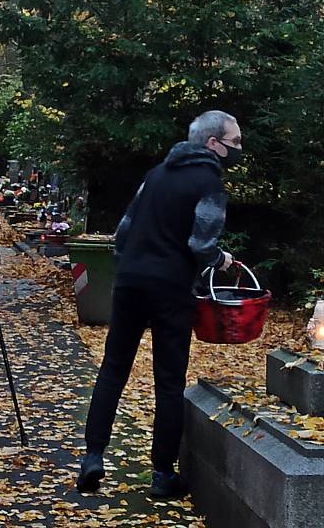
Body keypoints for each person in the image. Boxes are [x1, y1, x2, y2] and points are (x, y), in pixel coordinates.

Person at [77, 110, 241, 499]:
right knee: (168, 381)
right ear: (213, 143)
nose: (238, 150)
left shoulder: (156, 175)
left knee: (113, 369)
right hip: (171, 287)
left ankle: (92, 457)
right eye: (234, 143)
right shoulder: (210, 183)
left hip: (132, 281)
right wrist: (223, 262)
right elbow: (200, 245)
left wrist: (131, 268)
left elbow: (123, 232)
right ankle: (163, 474)